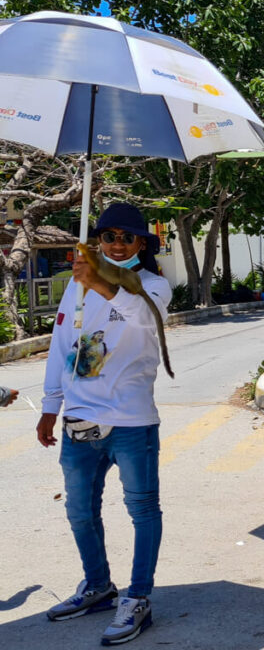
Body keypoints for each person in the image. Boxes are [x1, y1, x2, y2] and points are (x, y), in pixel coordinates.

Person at [36, 203, 170, 646]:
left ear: (142, 245)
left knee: (142, 510)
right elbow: (61, 344)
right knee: (79, 511)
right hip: (79, 417)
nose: (116, 244)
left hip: (130, 420)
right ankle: (97, 587)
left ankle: (139, 598)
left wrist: (99, 283)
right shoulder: (76, 285)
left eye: (126, 237)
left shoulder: (153, 285)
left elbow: (143, 318)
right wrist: (51, 405)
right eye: (108, 236)